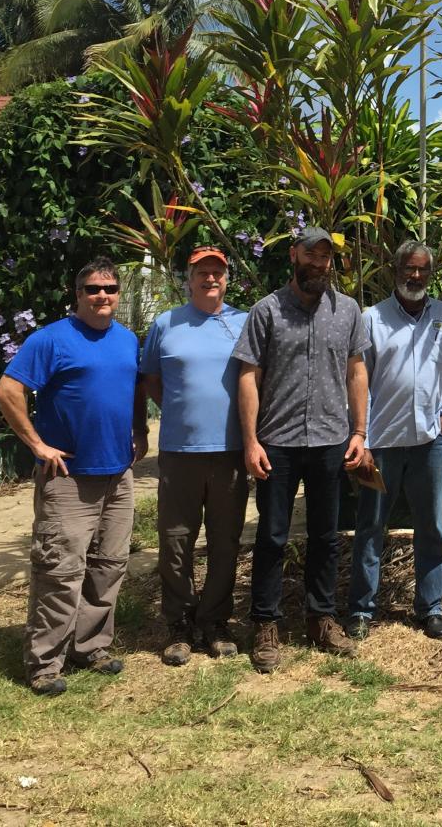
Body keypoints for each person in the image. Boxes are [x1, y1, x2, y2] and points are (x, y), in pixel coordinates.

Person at [0, 257, 147, 696]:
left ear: (119, 295)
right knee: (61, 571)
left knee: (109, 565)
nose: (103, 295)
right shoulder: (51, 339)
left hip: (118, 474)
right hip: (68, 478)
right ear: (77, 295)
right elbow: (7, 391)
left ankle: (90, 645)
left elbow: (134, 389)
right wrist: (37, 445)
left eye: (111, 289)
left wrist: (140, 430)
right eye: (93, 289)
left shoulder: (126, 340)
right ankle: (44, 662)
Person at [232, 227, 369, 671]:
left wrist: (360, 432)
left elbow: (356, 371)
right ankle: (266, 624)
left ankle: (321, 618)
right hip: (278, 442)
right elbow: (248, 376)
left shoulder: (347, 311)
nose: (319, 264)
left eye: (326, 257)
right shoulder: (266, 311)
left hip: (331, 440)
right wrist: (251, 441)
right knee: (271, 537)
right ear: (294, 255)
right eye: (311, 254)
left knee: (326, 537)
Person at [346, 241, 442, 642]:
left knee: (431, 526)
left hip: (429, 443)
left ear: (430, 274)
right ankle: (362, 609)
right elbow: (357, 380)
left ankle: (430, 607)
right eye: (408, 268)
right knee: (370, 527)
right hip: (380, 443)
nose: (415, 276)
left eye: (422, 270)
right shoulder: (371, 319)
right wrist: (360, 436)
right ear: (395, 269)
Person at [140, 247, 249, 666]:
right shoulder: (166, 323)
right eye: (202, 273)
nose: (210, 280)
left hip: (231, 452)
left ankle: (216, 622)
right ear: (189, 278)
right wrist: (181, 412)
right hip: (180, 453)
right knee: (175, 540)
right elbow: (150, 379)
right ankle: (180, 625)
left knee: (225, 542)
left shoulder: (243, 322)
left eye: (217, 273)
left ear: (226, 279)